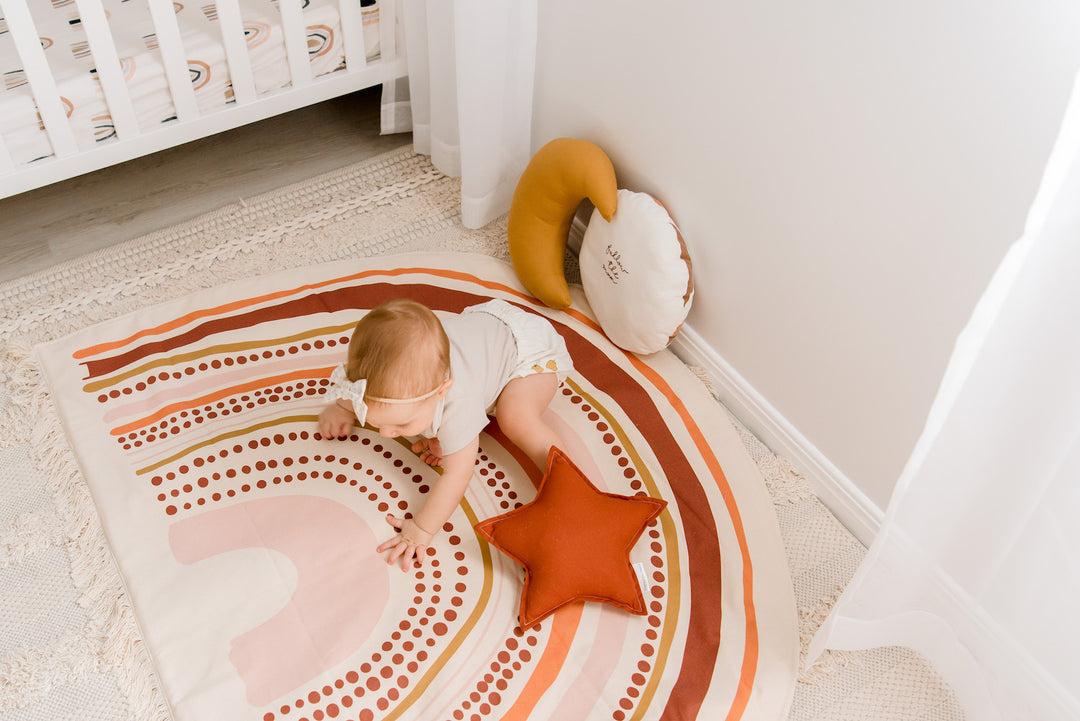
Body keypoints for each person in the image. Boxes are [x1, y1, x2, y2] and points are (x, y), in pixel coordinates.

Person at [318, 297, 573, 571]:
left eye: (402, 426)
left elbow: (457, 476)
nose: (387, 434)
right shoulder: (374, 386)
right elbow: (358, 389)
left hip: (527, 355)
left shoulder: (458, 402)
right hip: (486, 327)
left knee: (515, 418)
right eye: (376, 421)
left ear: (441, 392)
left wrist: (421, 529)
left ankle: (569, 484)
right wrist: (343, 409)